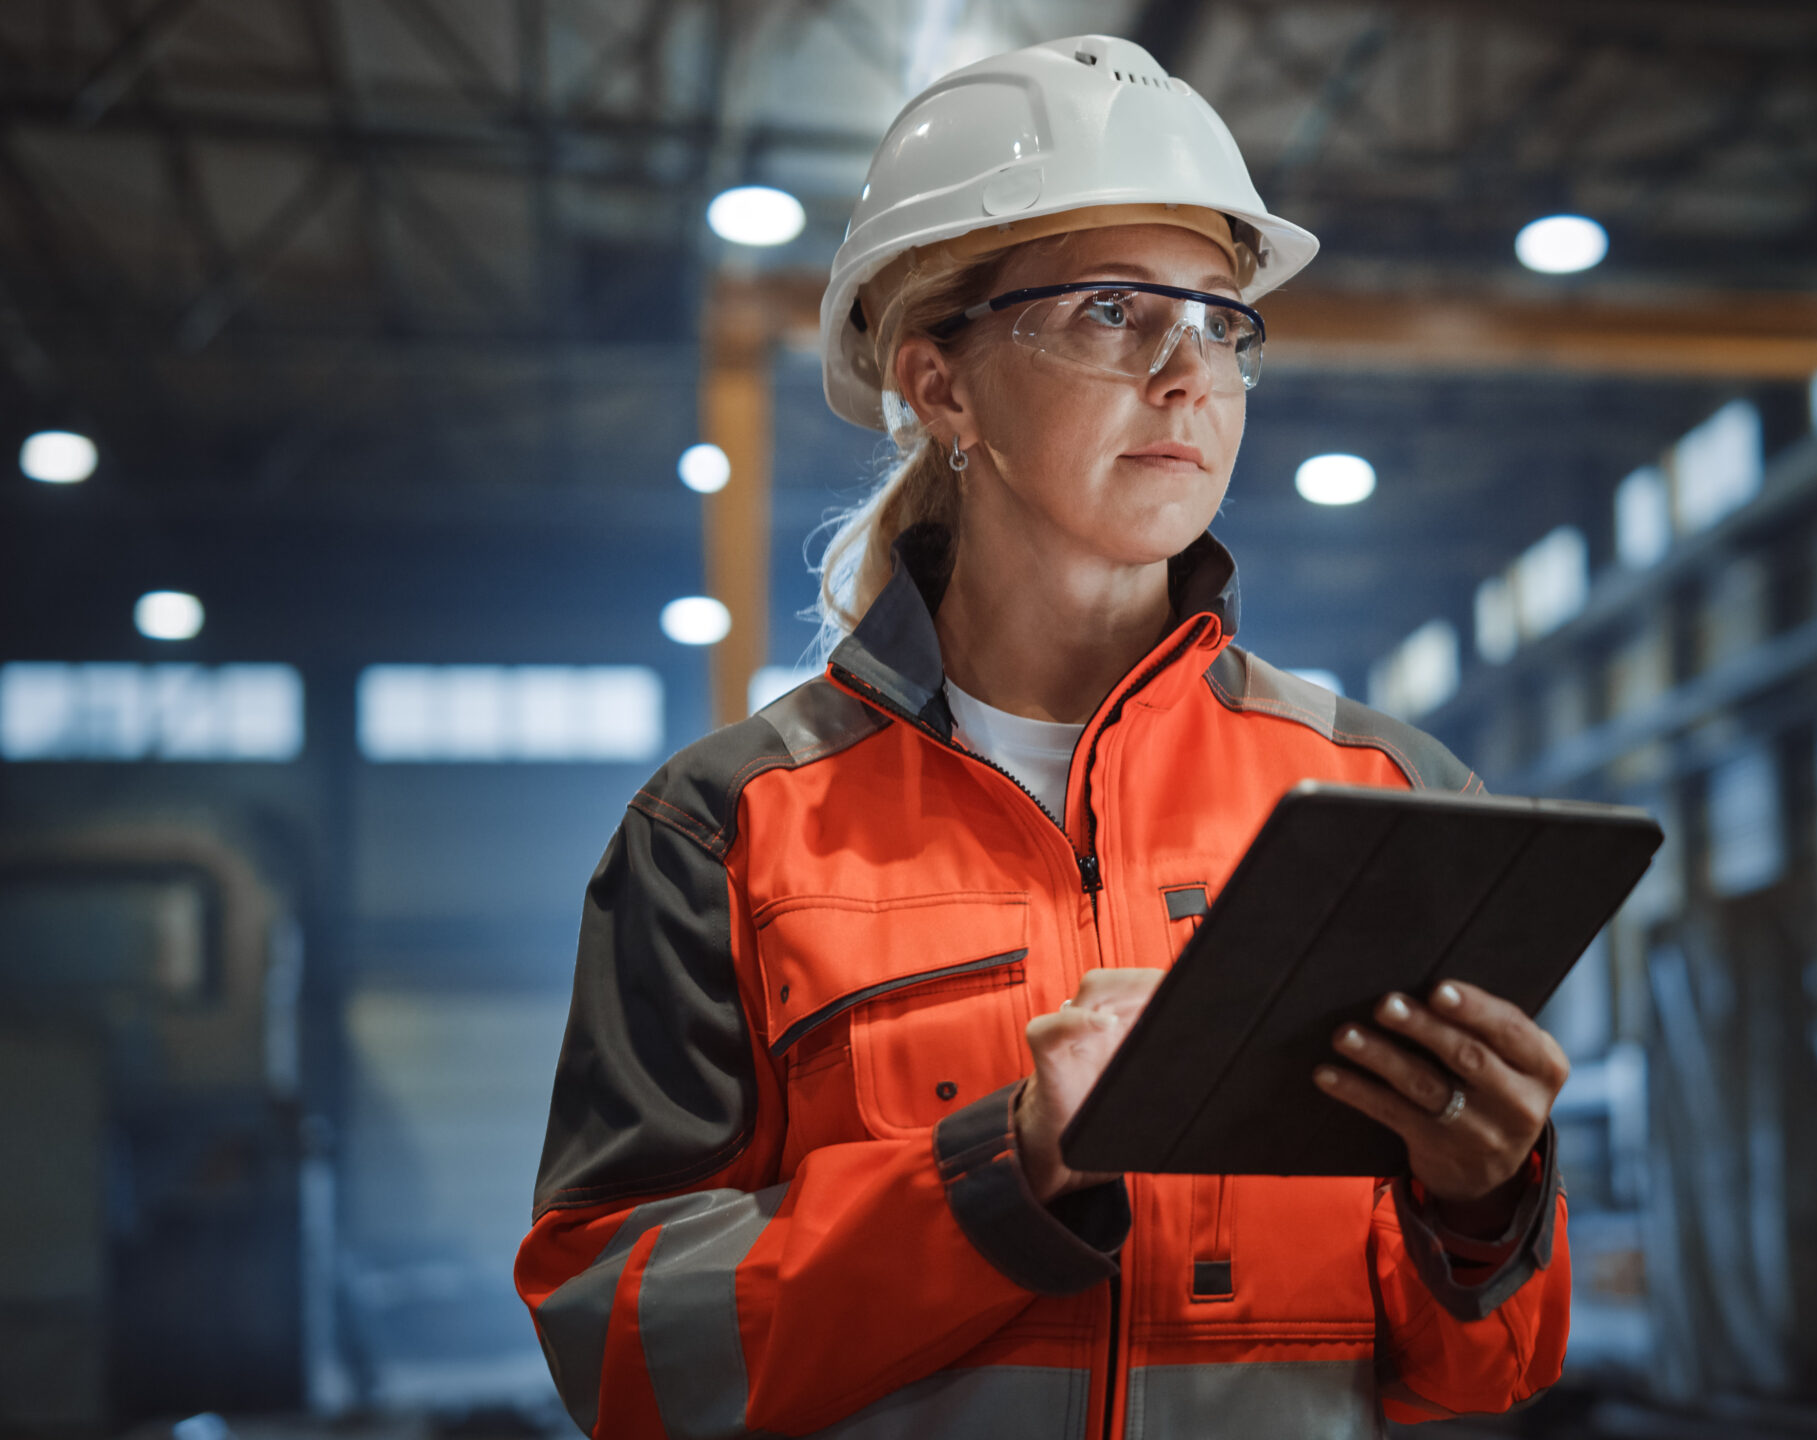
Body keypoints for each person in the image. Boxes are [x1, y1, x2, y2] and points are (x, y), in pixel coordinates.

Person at [515, 34, 1572, 1440]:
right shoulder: (729, 832)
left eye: (1219, 322)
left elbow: (1481, 1369)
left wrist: (1487, 1203)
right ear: (941, 387)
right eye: (1114, 312)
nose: (1189, 373)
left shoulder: (1384, 793)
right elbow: (624, 1351)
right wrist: (1001, 1173)